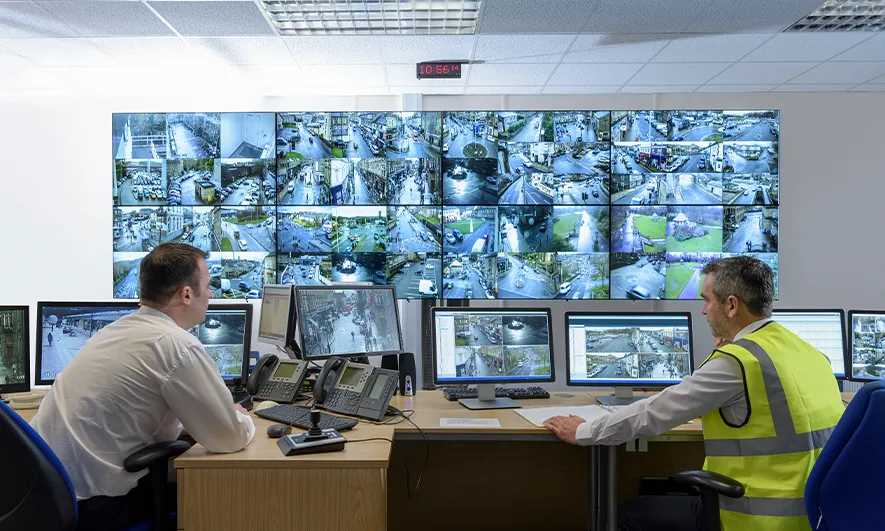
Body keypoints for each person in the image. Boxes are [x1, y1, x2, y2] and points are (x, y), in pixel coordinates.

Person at [544, 256, 844, 531]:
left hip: (758, 517)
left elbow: (654, 414)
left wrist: (584, 430)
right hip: (813, 514)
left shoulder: (739, 361)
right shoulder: (808, 353)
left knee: (627, 513)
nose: (702, 310)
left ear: (731, 305)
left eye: (706, 300)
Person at [33, 243, 255, 531]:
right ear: (186, 294)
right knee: (221, 496)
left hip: (45, 495)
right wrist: (242, 417)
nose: (211, 294)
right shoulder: (176, 345)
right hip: (96, 507)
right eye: (208, 285)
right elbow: (228, 438)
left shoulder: (115, 331)